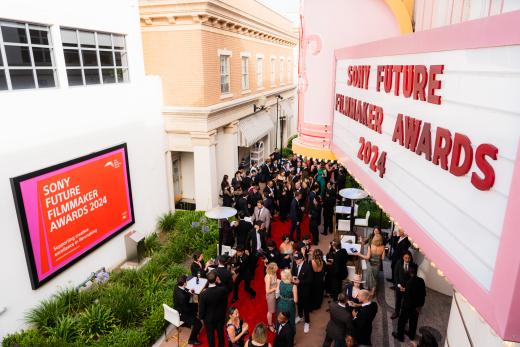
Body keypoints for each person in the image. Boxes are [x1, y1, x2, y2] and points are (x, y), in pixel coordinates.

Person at [393, 263, 426, 342]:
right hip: (417, 307)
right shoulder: (421, 280)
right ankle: (411, 335)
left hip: (408, 307)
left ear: (410, 271)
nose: (406, 269)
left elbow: (408, 297)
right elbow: (423, 294)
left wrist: (404, 291)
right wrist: (420, 306)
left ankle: (400, 336)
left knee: (401, 321)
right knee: (413, 322)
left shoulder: (409, 282)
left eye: (408, 268)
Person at [199, 271, 228, 347]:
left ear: (208, 281)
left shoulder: (203, 294)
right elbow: (226, 291)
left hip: (209, 319)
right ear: (216, 279)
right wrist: (220, 282)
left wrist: (201, 317)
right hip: (220, 316)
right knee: (220, 333)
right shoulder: (222, 290)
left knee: (210, 335)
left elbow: (201, 309)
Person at [173, 275, 202, 345]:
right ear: (184, 283)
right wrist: (190, 294)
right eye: (186, 281)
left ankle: (187, 324)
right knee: (199, 324)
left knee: (195, 306)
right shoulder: (182, 297)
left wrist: (188, 291)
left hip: (178, 307)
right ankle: (192, 339)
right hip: (182, 313)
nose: (187, 282)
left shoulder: (176, 286)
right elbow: (186, 309)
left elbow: (183, 291)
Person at [291, 252, 312, 333]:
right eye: (295, 260)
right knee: (299, 304)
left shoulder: (307, 267)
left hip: (305, 290)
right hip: (296, 289)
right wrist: (293, 277)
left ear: (302, 259)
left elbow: (310, 280)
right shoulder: (295, 263)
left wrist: (300, 282)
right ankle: (300, 316)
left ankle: (307, 322)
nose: (296, 261)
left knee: (306, 307)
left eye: (298, 260)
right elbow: (293, 272)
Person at [391, 251, 414, 319]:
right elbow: (396, 275)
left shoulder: (413, 265)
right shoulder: (399, 263)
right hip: (399, 286)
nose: (407, 260)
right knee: (398, 300)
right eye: (405, 258)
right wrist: (398, 285)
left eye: (409, 258)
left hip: (408, 288)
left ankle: (404, 315)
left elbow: (413, 279)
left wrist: (407, 288)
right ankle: (396, 312)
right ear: (403, 257)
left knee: (406, 301)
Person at [265, 262, 280, 332]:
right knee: (270, 311)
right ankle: (270, 325)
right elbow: (267, 290)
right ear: (272, 268)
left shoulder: (274, 273)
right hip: (270, 296)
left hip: (275, 293)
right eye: (276, 266)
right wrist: (276, 288)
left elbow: (275, 281)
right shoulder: (268, 276)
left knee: (274, 309)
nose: (277, 267)